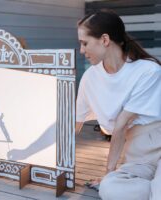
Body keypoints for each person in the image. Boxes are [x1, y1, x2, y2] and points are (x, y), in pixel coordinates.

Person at [76, 10, 161, 200]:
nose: (81, 50)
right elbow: (75, 122)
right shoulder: (90, 78)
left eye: (84, 43)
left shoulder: (148, 71)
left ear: (104, 40)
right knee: (110, 189)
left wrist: (109, 171)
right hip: (136, 157)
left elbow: (122, 123)